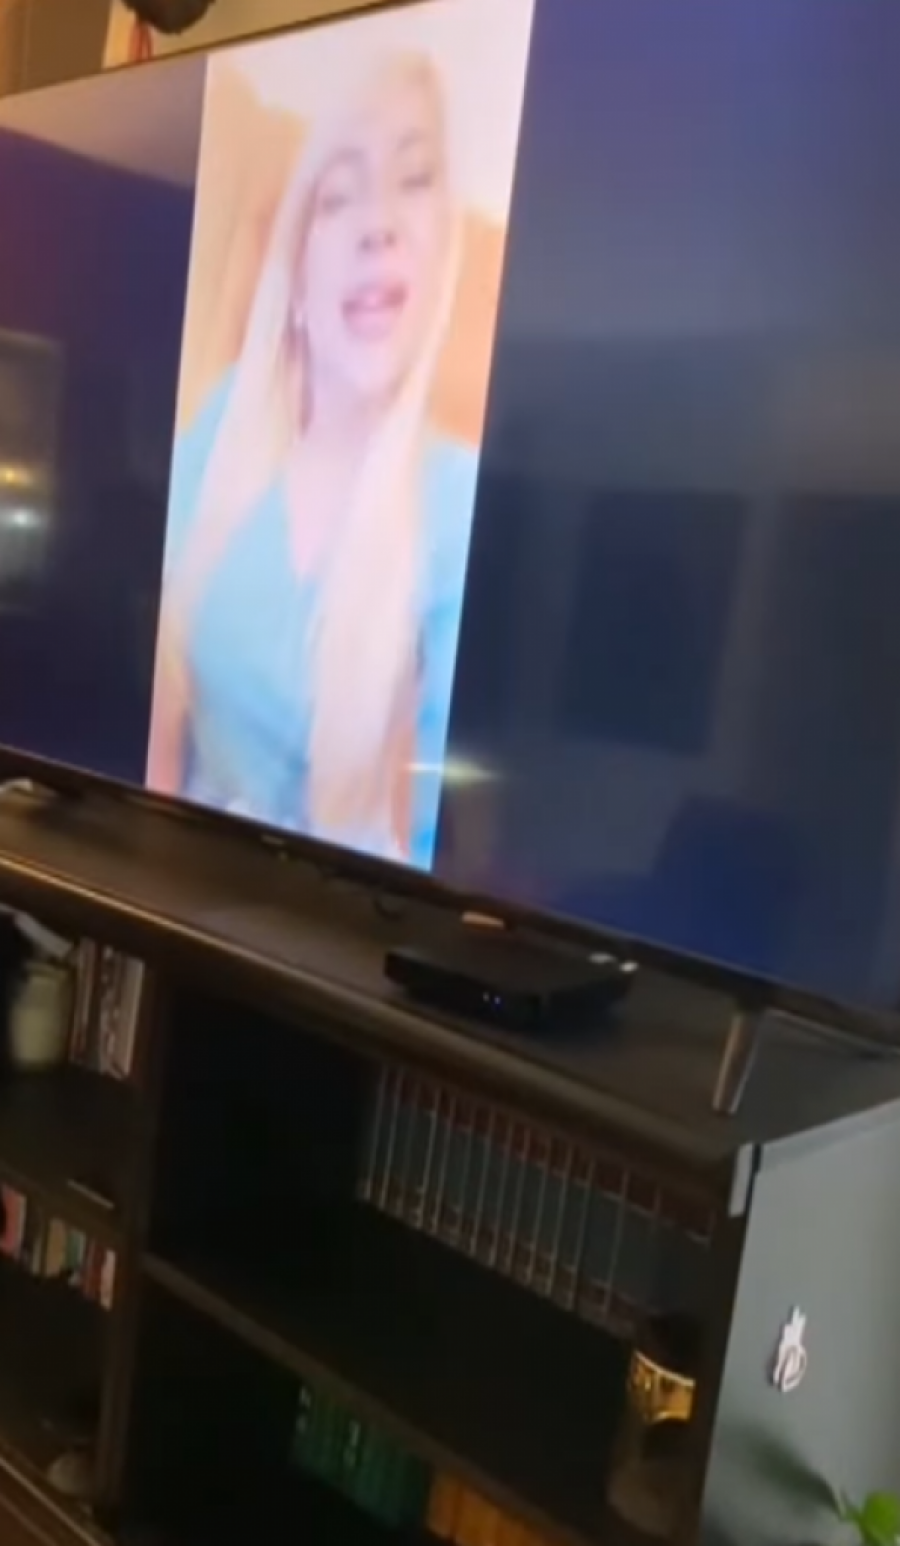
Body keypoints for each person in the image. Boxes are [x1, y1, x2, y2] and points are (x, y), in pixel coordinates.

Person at [147, 50, 478, 866]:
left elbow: (446, 853)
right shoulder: (224, 425)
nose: (378, 224)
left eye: (413, 179)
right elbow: (148, 719)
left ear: (443, 252)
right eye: (337, 196)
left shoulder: (457, 505)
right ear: (295, 275)